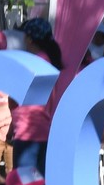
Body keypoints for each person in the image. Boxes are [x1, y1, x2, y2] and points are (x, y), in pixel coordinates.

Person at [8, 17, 63, 173]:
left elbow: (14, 97)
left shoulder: (29, 63)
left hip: (26, 133)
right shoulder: (50, 63)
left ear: (30, 39)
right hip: (44, 131)